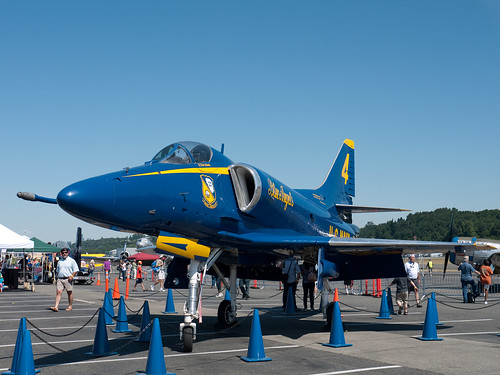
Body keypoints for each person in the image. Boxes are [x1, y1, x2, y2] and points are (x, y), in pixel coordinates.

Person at [50, 248, 79, 312]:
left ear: (68, 253)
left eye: (65, 252)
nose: (64, 254)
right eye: (63, 253)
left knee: (69, 292)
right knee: (58, 292)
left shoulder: (71, 261)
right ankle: (56, 306)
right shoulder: (60, 261)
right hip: (60, 278)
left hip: (68, 279)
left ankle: (70, 306)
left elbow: (76, 269)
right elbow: (57, 270)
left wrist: (72, 276)